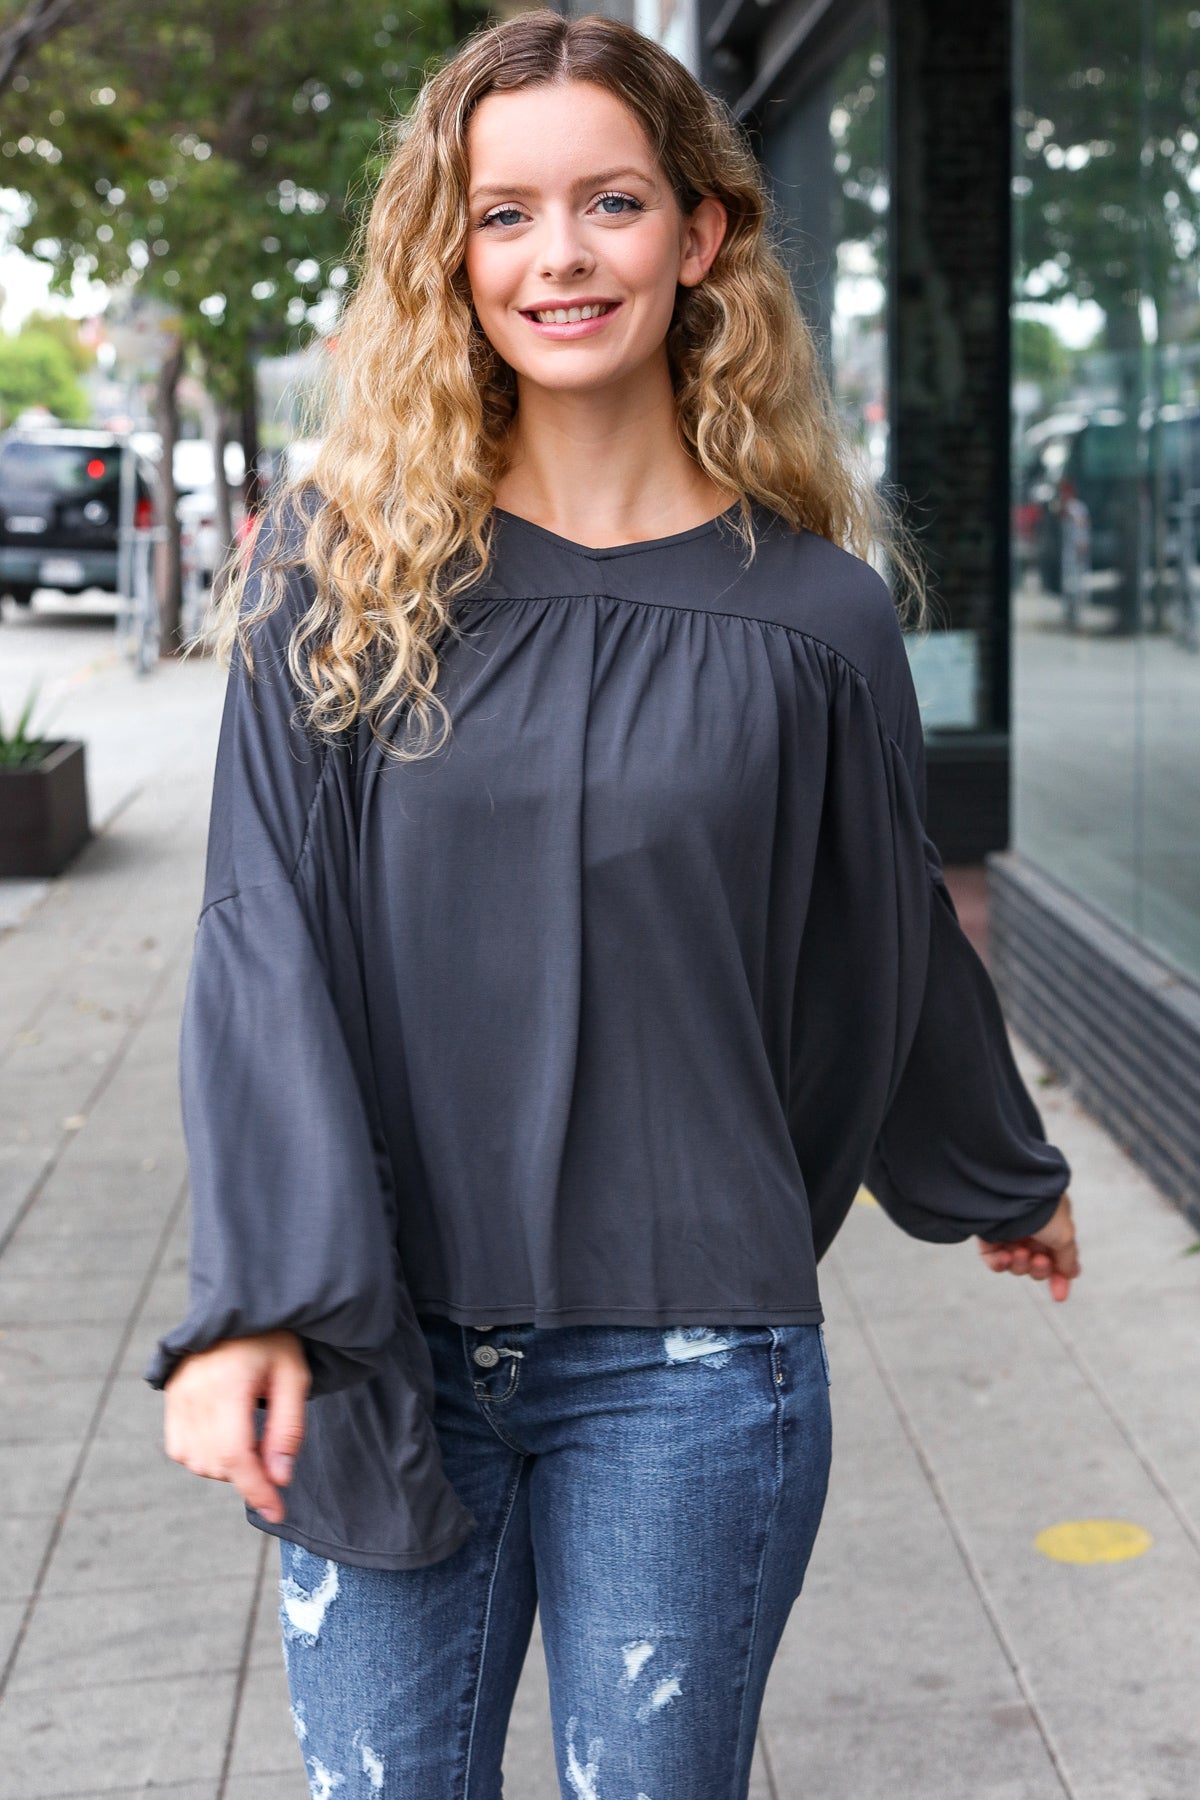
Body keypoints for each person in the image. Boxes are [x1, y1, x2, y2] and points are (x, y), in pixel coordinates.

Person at [147, 12, 1081, 1797]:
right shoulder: (332, 580)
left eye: (612, 203)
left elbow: (882, 935)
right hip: (383, 1335)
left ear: (700, 234)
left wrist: (995, 1175)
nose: (558, 255)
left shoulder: (818, 617)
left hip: (695, 1358)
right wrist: (254, 1298)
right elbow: (260, 934)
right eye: (505, 214)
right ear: (452, 253)